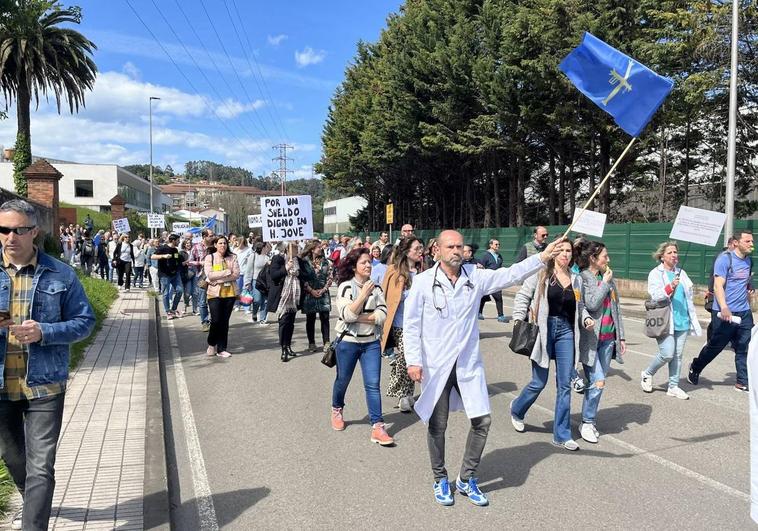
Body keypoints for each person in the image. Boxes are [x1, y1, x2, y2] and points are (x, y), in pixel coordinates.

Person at [404, 230, 561, 506]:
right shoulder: (423, 282)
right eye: (450, 246)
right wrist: (413, 361)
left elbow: (510, 274)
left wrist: (542, 258)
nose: (456, 250)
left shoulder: (474, 277)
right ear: (436, 251)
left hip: (467, 364)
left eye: (459, 246)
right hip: (436, 365)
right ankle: (440, 478)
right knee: (437, 424)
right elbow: (412, 324)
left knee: (482, 421)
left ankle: (466, 478)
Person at [0, 199, 96, 530]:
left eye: (19, 230)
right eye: (4, 230)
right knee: (14, 459)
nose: (11, 237)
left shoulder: (61, 273)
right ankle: (34, 504)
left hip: (45, 385)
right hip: (1, 385)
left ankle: (33, 523)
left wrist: (45, 331)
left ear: (35, 232)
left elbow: (85, 322)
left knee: (41, 466)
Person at [510, 238, 592, 451]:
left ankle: (562, 435)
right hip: (544, 330)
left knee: (564, 384)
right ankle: (517, 409)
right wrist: (519, 320)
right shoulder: (541, 273)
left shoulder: (576, 279)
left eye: (568, 251)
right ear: (554, 253)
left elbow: (580, 306)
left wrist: (586, 319)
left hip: (566, 331)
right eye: (561, 250)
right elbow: (523, 297)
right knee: (539, 381)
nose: (565, 254)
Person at [331, 247, 393, 446]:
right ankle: (337, 408)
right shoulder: (346, 287)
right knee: (343, 380)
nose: (368, 265)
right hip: (348, 342)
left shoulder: (376, 288)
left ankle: (378, 426)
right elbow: (346, 316)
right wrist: (363, 296)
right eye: (363, 263)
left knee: (373, 385)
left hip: (371, 343)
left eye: (369, 262)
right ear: (354, 266)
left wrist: (360, 317)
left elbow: (383, 315)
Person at [689, 230, 754, 392]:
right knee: (716, 346)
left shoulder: (749, 261)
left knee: (744, 346)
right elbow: (718, 285)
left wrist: (749, 289)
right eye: (748, 241)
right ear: (737, 242)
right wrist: (724, 307)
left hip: (744, 312)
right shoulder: (725, 259)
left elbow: (744, 282)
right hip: (725, 312)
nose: (752, 244)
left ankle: (742, 381)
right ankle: (695, 367)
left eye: (752, 241)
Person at [577, 241, 626, 444]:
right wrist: (604, 283)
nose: (608, 259)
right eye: (605, 256)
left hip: (608, 339)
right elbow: (591, 304)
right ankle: (587, 422)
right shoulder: (584, 278)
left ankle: (589, 419)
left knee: (598, 383)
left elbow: (616, 308)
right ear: (593, 259)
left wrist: (621, 336)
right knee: (598, 381)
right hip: (591, 340)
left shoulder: (608, 278)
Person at [640, 242, 702, 399]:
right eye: (670, 252)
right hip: (665, 320)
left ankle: (673, 386)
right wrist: (670, 286)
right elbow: (655, 295)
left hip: (682, 320)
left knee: (678, 355)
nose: (674, 255)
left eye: (675, 252)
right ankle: (647, 373)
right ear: (662, 256)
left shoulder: (682, 273)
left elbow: (688, 294)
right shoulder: (655, 273)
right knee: (667, 353)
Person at [381, 236, 423, 412]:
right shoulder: (394, 271)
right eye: (416, 249)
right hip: (400, 324)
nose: (420, 251)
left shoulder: (424, 272)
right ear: (406, 252)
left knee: (414, 359)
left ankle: (407, 393)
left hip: (420, 325)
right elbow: (384, 297)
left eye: (421, 248)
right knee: (406, 355)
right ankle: (402, 395)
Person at [267, 243, 305, 362]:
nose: (297, 249)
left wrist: (298, 273)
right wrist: (286, 268)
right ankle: (283, 348)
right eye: (294, 247)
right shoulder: (278, 258)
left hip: (295, 295)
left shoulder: (298, 260)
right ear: (287, 249)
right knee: (283, 321)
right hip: (283, 294)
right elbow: (274, 275)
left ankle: (288, 345)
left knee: (291, 322)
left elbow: (306, 275)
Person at [203, 236, 240, 358]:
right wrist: (226, 272)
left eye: (224, 243)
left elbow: (236, 274)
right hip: (214, 294)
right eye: (220, 243)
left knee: (224, 322)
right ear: (215, 245)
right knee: (216, 320)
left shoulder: (233, 257)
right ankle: (211, 343)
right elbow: (209, 274)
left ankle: (222, 348)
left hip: (229, 294)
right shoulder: (210, 257)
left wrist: (218, 279)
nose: (223, 245)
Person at [301, 241, 332, 352]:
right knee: (310, 319)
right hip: (310, 294)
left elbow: (330, 277)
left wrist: (323, 290)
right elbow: (303, 278)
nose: (321, 248)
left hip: (323, 294)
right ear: (312, 249)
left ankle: (326, 342)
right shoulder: (304, 262)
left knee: (325, 318)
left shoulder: (325, 262)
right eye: (318, 247)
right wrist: (311, 290)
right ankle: (311, 343)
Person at [153, 234, 184, 320]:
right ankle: (168, 312)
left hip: (175, 274)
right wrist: (163, 256)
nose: (179, 242)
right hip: (164, 275)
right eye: (178, 240)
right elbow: (153, 256)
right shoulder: (163, 248)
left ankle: (173, 309)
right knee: (166, 293)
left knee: (179, 290)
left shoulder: (175, 249)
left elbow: (177, 259)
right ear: (173, 240)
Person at [478, 239, 509, 323]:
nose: (498, 246)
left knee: (498, 298)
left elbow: (500, 267)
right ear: (491, 245)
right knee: (483, 297)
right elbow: (480, 267)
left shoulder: (499, 256)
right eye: (496, 244)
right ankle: (479, 313)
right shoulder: (485, 255)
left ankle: (501, 316)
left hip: (497, 280)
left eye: (499, 244)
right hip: (487, 280)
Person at [190, 230, 214, 331]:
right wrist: (200, 263)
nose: (213, 237)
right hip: (201, 277)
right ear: (204, 236)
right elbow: (190, 261)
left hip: (214, 277)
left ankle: (214, 321)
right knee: (202, 301)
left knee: (214, 300)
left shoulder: (215, 247)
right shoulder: (196, 247)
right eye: (211, 236)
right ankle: (205, 322)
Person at [244, 241, 271, 325]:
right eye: (266, 246)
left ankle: (262, 319)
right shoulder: (253, 256)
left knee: (265, 301)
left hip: (266, 281)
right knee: (257, 300)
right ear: (262, 247)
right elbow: (248, 269)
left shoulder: (268, 257)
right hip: (256, 280)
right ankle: (254, 313)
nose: (268, 248)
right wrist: (247, 282)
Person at [234, 236, 253, 312]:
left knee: (245, 290)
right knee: (237, 289)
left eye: (238, 241)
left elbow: (251, 260)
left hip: (246, 272)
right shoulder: (235, 250)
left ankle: (246, 307)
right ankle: (237, 304)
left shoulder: (248, 250)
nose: (237, 243)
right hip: (237, 272)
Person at [179, 239, 197, 316]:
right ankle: (185, 307)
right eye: (187, 243)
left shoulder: (194, 251)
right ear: (184, 244)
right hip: (187, 274)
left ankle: (195, 310)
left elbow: (198, 260)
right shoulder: (181, 253)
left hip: (195, 272)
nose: (188, 244)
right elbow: (180, 264)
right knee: (187, 292)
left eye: (189, 243)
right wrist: (186, 262)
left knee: (195, 292)